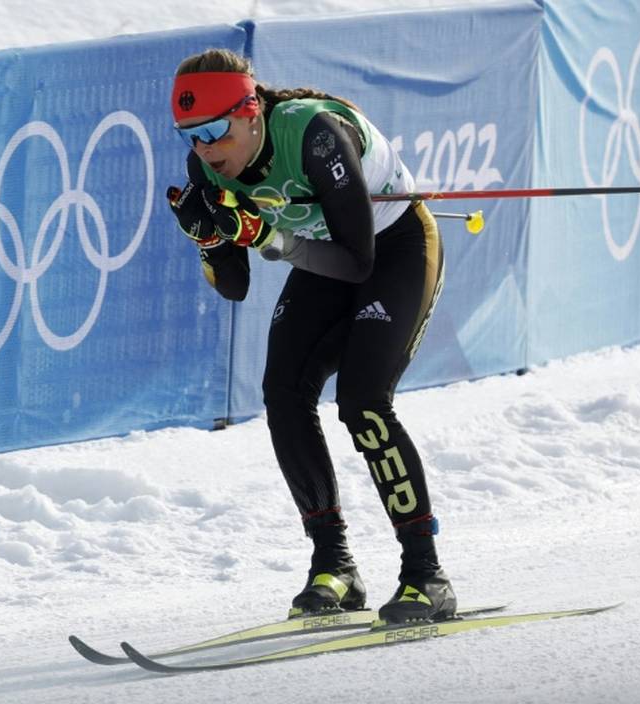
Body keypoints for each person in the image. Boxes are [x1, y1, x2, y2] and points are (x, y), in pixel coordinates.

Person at [166, 48, 453, 625]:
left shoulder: (316, 136)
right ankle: (334, 564)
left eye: (216, 130)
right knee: (283, 393)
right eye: (190, 135)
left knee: (364, 401)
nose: (204, 149)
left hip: (390, 248)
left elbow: (357, 262)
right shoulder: (208, 166)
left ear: (251, 112)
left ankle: (427, 574)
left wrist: (262, 232)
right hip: (321, 257)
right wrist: (208, 238)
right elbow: (234, 286)